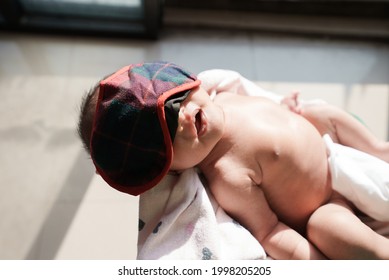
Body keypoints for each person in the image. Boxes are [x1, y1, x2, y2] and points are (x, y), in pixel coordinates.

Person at [78, 61, 389, 259]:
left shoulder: (226, 94)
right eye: (167, 134)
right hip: (324, 205)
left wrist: (285, 105)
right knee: (330, 230)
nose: (184, 119)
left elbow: (271, 103)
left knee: (321, 113)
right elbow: (269, 231)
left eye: (175, 99)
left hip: (332, 148)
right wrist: (307, 262)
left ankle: (378, 149)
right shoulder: (227, 173)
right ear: (169, 168)